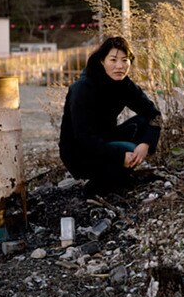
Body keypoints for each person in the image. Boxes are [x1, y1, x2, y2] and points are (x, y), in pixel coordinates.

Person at [59, 36, 162, 195]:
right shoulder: (83, 88)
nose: (119, 66)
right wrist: (120, 155)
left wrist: (146, 144)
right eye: (113, 60)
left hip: (105, 139)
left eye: (124, 60)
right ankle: (97, 186)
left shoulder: (124, 84)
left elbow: (154, 114)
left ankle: (116, 176)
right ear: (102, 61)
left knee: (143, 122)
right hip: (79, 152)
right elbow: (83, 138)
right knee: (128, 149)